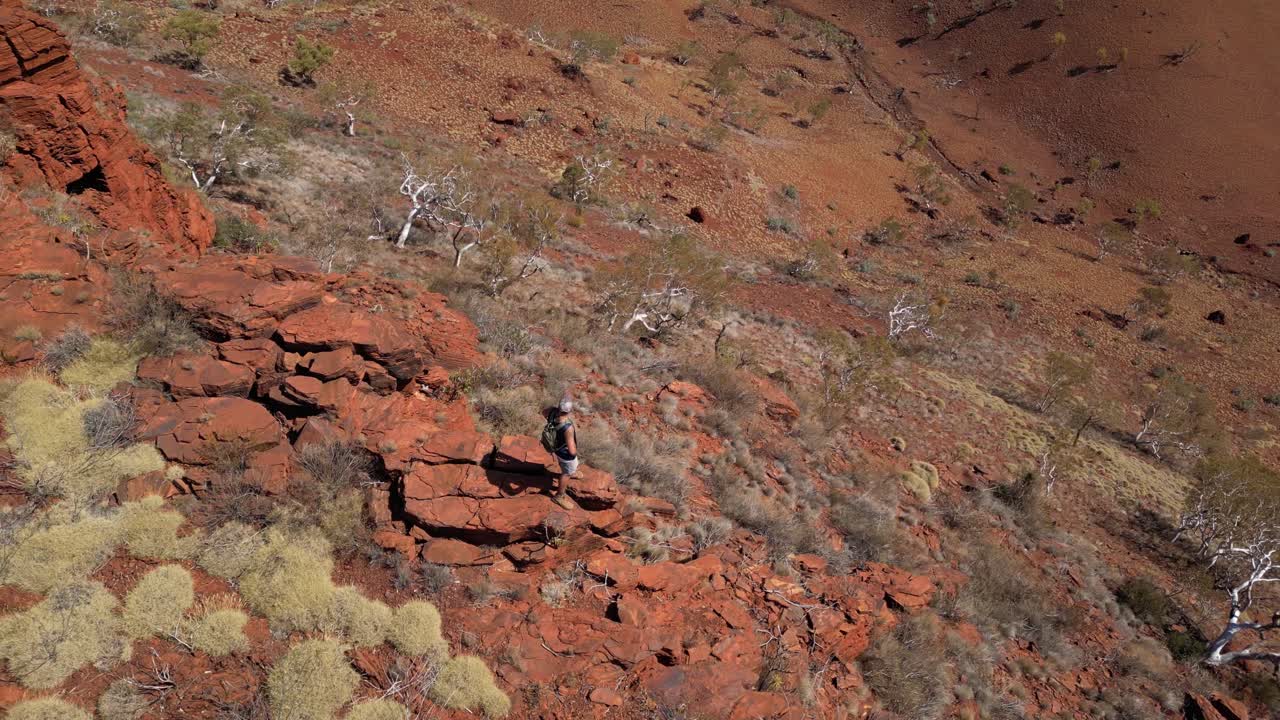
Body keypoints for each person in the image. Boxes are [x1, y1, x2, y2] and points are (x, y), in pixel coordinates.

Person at [544, 398, 580, 509]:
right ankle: (559, 496)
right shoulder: (567, 427)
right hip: (565, 454)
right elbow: (572, 451)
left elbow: (543, 412)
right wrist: (575, 452)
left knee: (567, 466)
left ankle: (572, 471)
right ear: (570, 411)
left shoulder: (551, 411)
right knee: (566, 473)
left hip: (555, 447)